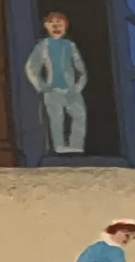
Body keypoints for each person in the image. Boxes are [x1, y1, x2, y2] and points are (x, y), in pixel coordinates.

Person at [24, 11, 88, 155]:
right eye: (52, 24)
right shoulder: (43, 46)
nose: (56, 27)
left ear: (66, 26)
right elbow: (31, 67)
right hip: (52, 90)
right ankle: (59, 147)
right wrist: (42, 86)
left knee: (79, 115)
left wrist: (78, 87)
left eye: (60, 24)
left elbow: (81, 69)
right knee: (56, 119)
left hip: (71, 90)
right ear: (46, 26)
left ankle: (76, 146)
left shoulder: (70, 46)